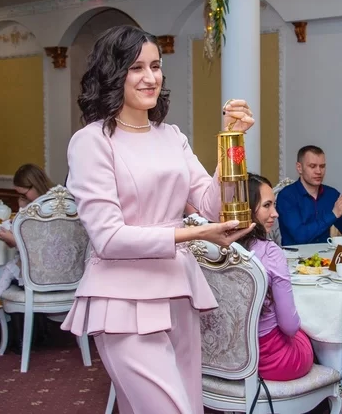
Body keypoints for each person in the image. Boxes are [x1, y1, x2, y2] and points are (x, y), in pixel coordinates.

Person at [60, 25, 256, 414]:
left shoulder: (171, 137)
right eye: (136, 68)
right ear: (113, 74)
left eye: (156, 66)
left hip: (177, 290)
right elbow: (108, 239)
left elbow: (211, 206)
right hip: (122, 299)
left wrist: (232, 141)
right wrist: (195, 234)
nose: (150, 77)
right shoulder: (91, 141)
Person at [237, 173, 314, 380]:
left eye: (274, 205)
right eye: (267, 206)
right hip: (272, 360)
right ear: (247, 209)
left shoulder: (217, 248)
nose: (275, 213)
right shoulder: (271, 252)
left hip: (230, 358)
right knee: (312, 335)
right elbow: (289, 327)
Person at [0, 163, 55, 312]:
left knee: (12, 266)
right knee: (13, 264)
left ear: (36, 185)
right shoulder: (52, 203)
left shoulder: (44, 209)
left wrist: (14, 240)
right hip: (58, 273)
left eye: (24, 194)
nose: (23, 198)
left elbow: (41, 246)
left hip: (43, 276)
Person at [277, 145, 342, 246]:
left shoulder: (331, 194)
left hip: (325, 254)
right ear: (299, 168)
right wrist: (333, 214)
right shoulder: (286, 196)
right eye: (312, 166)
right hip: (296, 254)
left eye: (322, 166)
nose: (319, 171)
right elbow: (300, 236)